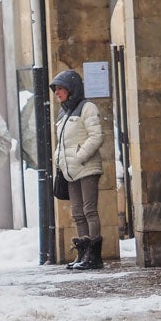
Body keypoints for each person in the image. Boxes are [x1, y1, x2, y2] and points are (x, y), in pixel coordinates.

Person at [50, 68, 105, 270]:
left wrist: (79, 156)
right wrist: (60, 162)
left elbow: (97, 136)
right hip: (70, 170)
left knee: (90, 210)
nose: (56, 93)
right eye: (55, 89)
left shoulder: (87, 107)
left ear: (71, 89)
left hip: (86, 167)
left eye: (60, 89)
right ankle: (83, 254)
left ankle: (94, 255)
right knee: (77, 213)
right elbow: (61, 143)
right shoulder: (63, 112)